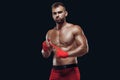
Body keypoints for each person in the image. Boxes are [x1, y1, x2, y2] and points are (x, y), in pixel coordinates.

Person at [41, 2, 89, 80]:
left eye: (60, 12)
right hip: (55, 71)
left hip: (71, 70)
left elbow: (85, 48)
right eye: (54, 13)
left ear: (65, 13)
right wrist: (44, 49)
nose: (57, 15)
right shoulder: (49, 33)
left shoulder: (74, 29)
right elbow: (46, 55)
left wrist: (67, 54)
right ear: (52, 15)